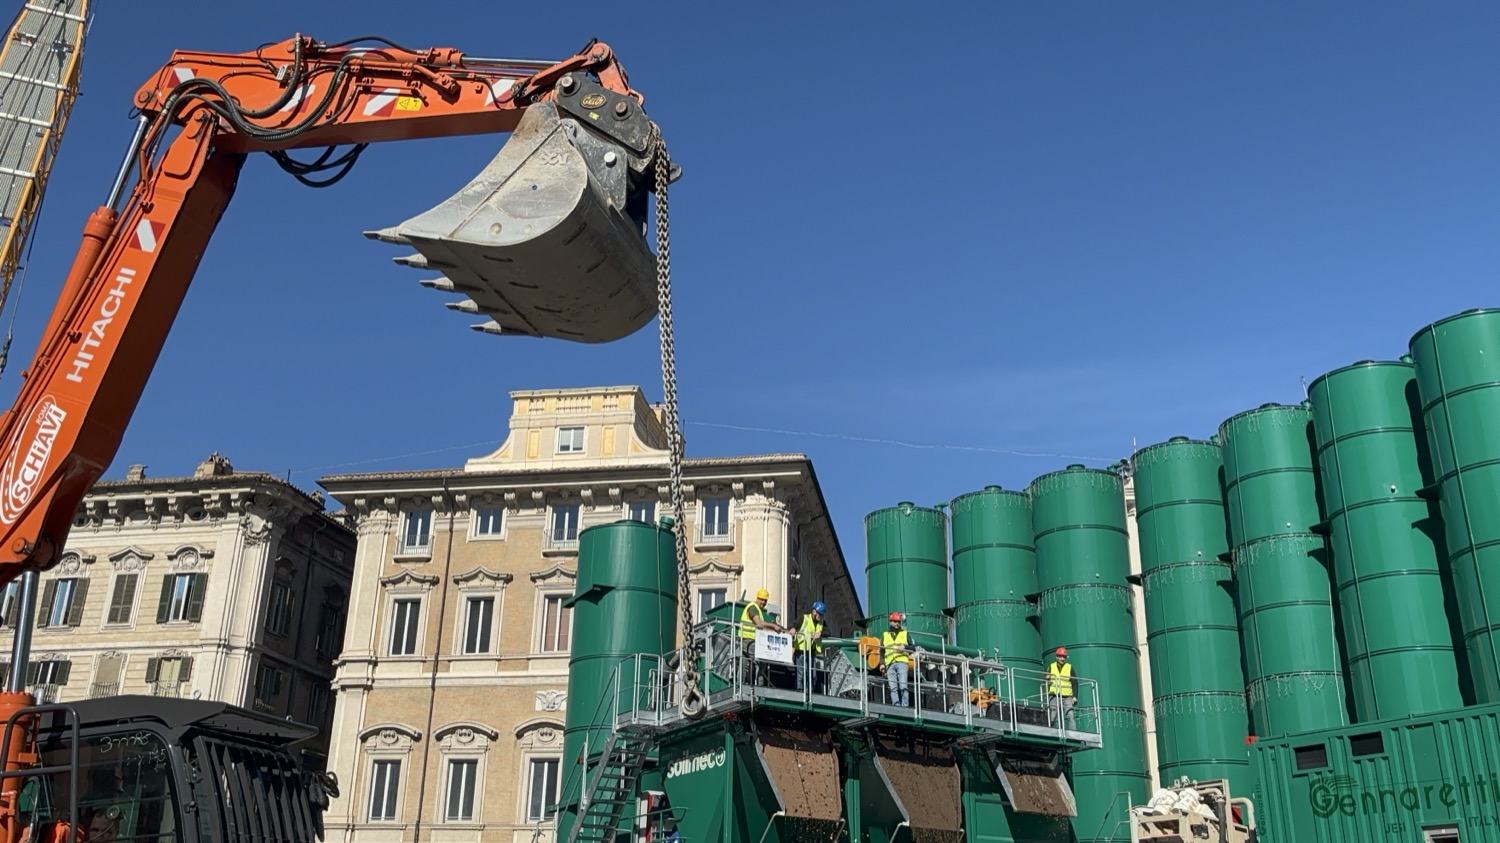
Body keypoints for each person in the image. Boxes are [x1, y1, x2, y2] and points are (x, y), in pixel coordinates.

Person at [738, 588, 783, 685]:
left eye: (765, 600)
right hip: (748, 639)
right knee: (754, 663)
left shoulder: (757, 610)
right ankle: (748, 685)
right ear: (757, 598)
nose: (763, 602)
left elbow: (761, 627)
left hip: (753, 640)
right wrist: (774, 626)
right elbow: (758, 623)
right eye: (761, 599)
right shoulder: (753, 607)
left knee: (756, 663)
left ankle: (755, 685)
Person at [794, 602, 826, 693]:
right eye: (819, 613)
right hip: (800, 650)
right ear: (814, 611)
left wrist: (820, 633)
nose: (820, 616)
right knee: (800, 674)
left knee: (812, 675)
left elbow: (828, 632)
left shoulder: (821, 622)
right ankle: (800, 692)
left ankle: (809, 693)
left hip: (811, 652)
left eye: (822, 614)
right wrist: (792, 629)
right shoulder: (804, 618)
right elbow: (793, 625)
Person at [881, 612, 912, 707]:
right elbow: (881, 650)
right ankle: (896, 705)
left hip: (902, 662)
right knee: (893, 687)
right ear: (891, 622)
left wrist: (905, 647)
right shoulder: (885, 635)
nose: (897, 623)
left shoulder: (905, 633)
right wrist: (882, 664)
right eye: (895, 621)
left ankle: (905, 706)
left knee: (903, 686)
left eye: (898, 621)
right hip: (890, 664)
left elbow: (913, 647)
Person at [1048, 646, 1077, 730]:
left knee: (1070, 715)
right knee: (1053, 716)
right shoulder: (1051, 666)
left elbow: (1074, 682)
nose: (1062, 658)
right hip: (1054, 695)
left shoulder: (1069, 667)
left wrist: (1074, 696)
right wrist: (1046, 678)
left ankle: (1074, 734)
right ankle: (1055, 732)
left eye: (1064, 657)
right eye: (1060, 656)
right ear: (1056, 657)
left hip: (1067, 695)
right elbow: (1046, 678)